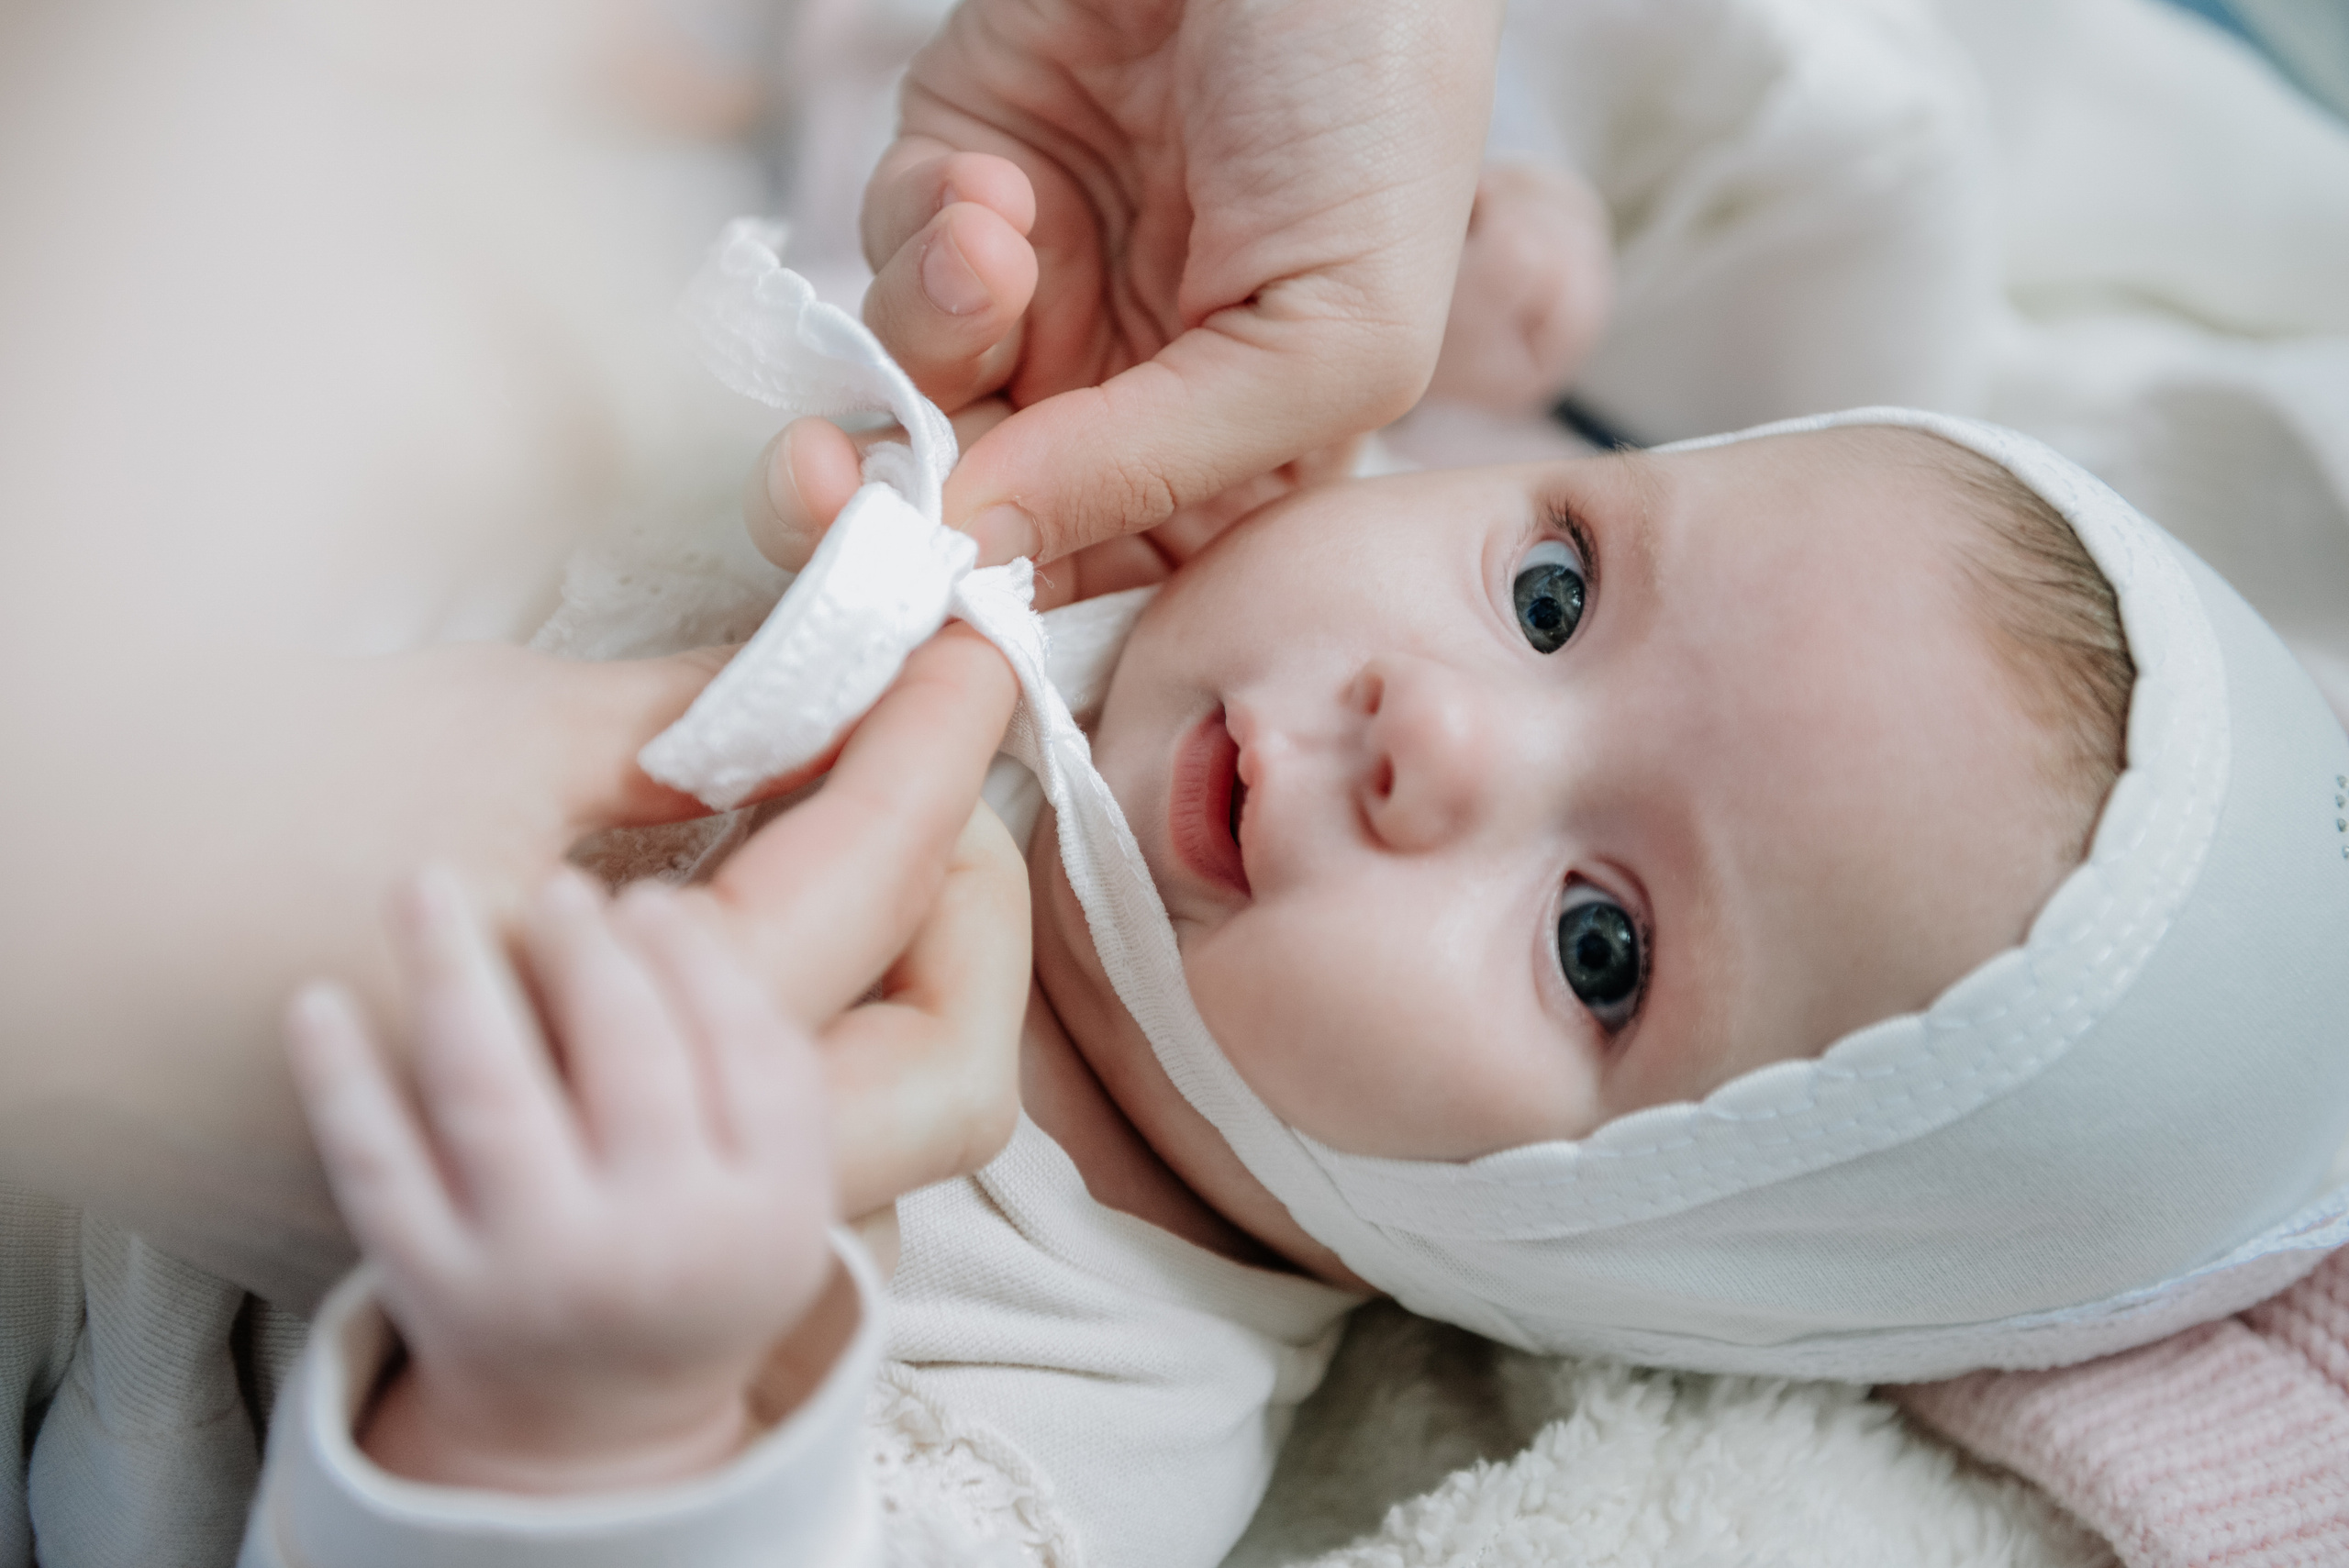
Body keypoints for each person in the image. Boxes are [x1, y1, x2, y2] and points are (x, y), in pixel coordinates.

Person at [242, 325, 2349, 1565]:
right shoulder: (1069, 491)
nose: (1429, 735)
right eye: (1548, 596)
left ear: (1598, 1238)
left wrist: (596, 1407)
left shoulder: (1069, 1404)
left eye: (1597, 947)